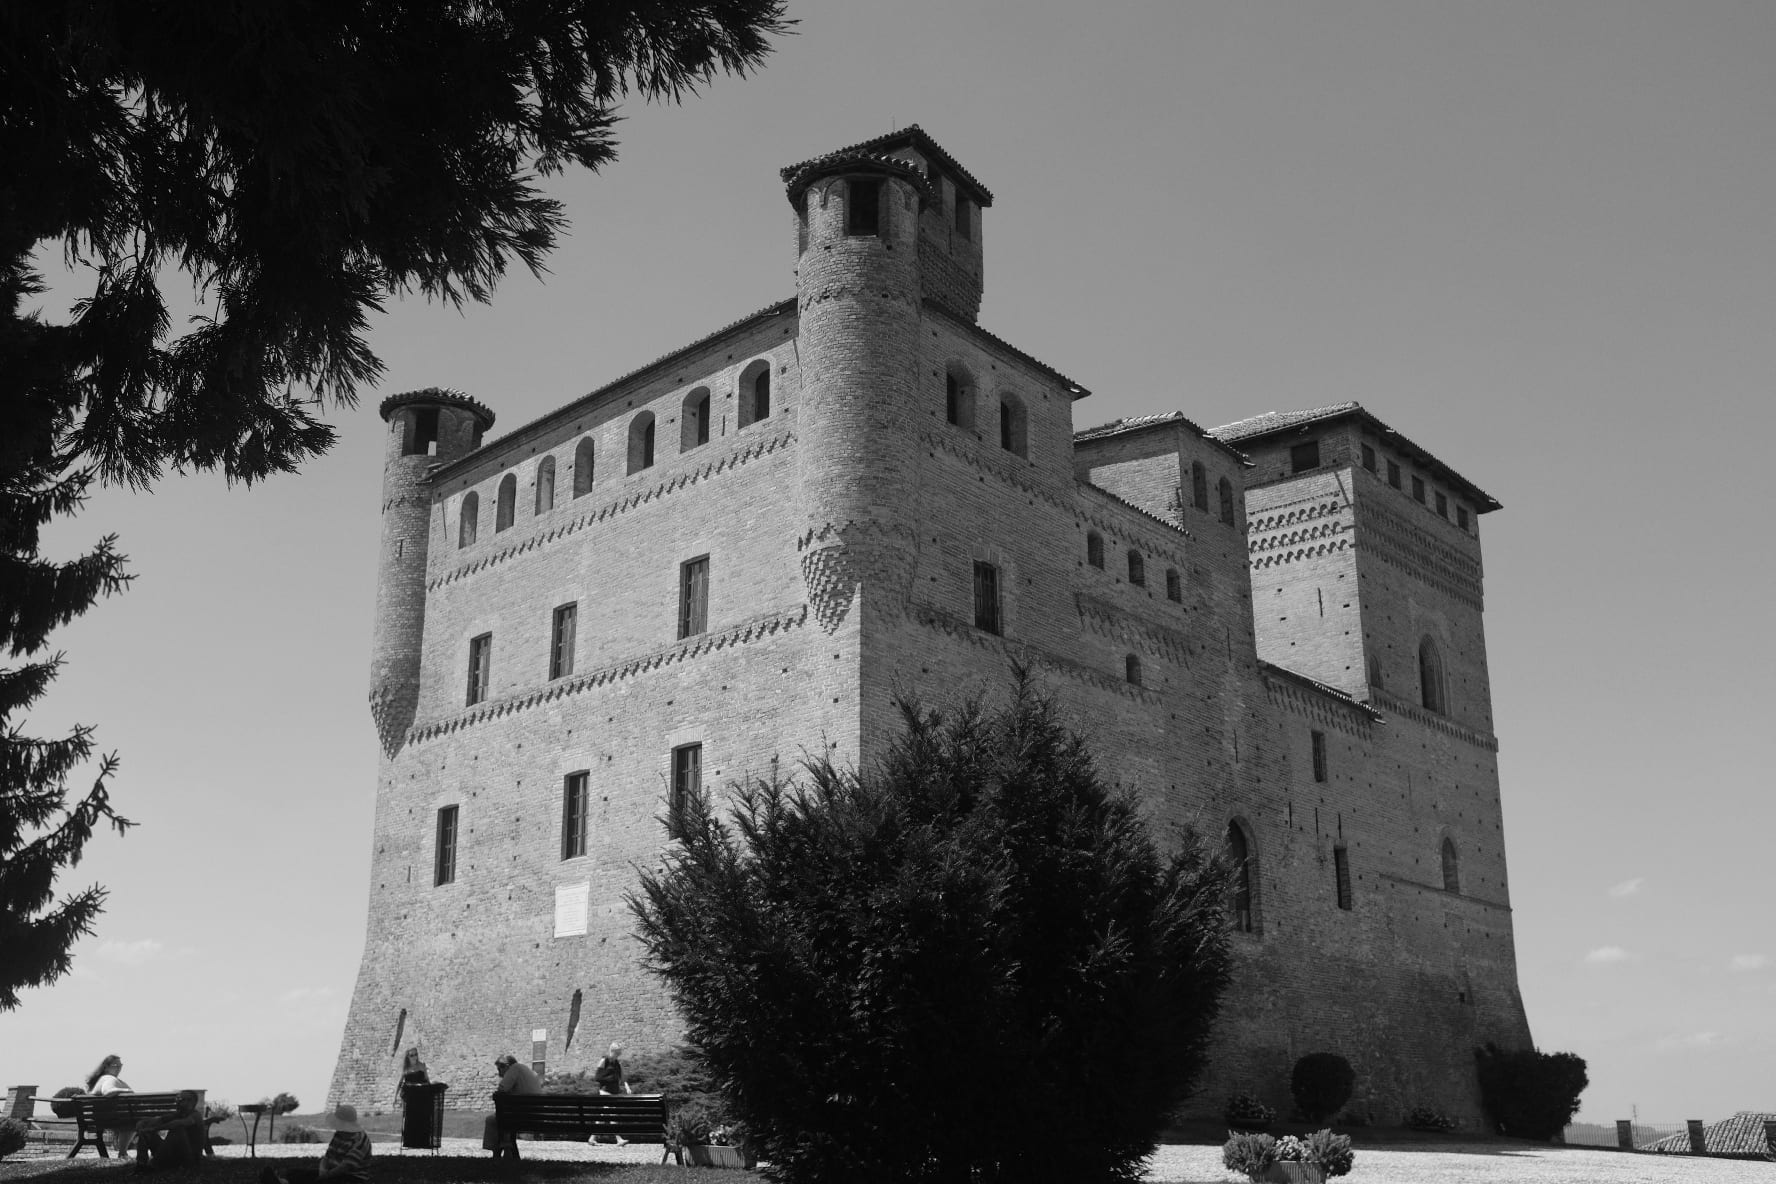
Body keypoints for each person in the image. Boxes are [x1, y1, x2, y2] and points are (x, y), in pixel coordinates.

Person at [259, 1105, 371, 1184]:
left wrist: (325, 1176)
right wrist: (322, 1170)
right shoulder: (339, 1135)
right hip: (330, 1172)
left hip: (350, 1178)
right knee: (294, 1174)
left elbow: (345, 1167)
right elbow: (327, 1157)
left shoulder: (360, 1140)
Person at [132, 1090, 218, 1174]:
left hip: (189, 1159)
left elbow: (178, 1124)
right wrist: (143, 1123)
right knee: (146, 1134)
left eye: (181, 1099)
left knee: (178, 1130)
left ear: (190, 1101)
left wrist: (154, 1129)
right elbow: (160, 1119)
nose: (177, 1101)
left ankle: (154, 1164)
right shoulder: (179, 1114)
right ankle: (141, 1165)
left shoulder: (195, 1115)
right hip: (175, 1156)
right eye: (177, 1099)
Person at [481, 1053, 541, 1156]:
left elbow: (502, 1089)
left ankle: (497, 1152)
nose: (499, 1072)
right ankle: (507, 1147)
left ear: (506, 1066)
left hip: (519, 1115)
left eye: (500, 1068)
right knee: (504, 1117)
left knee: (492, 1119)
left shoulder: (514, 1069)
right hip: (533, 1115)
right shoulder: (527, 1070)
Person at [84, 1054, 136, 1155]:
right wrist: (126, 1090)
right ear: (106, 1067)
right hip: (109, 1119)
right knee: (133, 1122)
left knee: (132, 1121)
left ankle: (123, 1153)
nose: (119, 1067)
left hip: (101, 1118)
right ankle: (123, 1153)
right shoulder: (109, 1078)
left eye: (120, 1065)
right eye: (115, 1065)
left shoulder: (106, 1078)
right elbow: (107, 1091)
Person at [588, 1042, 631, 1146]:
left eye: (619, 1053)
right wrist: (611, 1079)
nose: (618, 1055)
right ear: (612, 1051)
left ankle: (592, 1138)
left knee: (603, 1116)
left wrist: (627, 1086)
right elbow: (597, 1077)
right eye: (617, 1053)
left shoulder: (617, 1063)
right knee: (612, 1114)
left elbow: (622, 1077)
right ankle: (619, 1139)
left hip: (614, 1092)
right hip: (605, 1091)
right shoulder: (604, 1061)